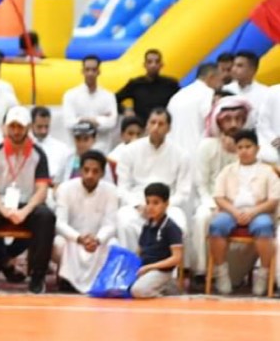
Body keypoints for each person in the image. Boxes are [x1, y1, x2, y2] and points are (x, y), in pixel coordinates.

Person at [0, 106, 56, 293]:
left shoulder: (38, 154)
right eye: (12, 126)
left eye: (20, 127)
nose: (16, 131)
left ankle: (37, 275)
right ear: (5, 128)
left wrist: (24, 211)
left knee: (46, 216)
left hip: (28, 204)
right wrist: (4, 210)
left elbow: (42, 190)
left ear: (28, 127)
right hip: (0, 203)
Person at [207, 129, 280, 296]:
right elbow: (218, 197)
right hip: (231, 211)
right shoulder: (227, 170)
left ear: (257, 149)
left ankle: (263, 274)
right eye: (240, 147)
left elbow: (273, 200)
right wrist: (234, 212)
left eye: (248, 146)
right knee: (216, 225)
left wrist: (252, 212)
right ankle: (221, 273)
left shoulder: (268, 171)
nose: (244, 151)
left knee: (264, 226)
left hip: (259, 212)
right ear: (236, 150)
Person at [114, 108, 190, 253]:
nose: (156, 128)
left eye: (161, 124)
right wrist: (138, 205)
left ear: (168, 128)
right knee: (124, 219)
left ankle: (167, 267)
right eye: (152, 122)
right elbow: (122, 188)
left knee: (179, 222)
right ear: (147, 125)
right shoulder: (129, 151)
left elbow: (183, 192)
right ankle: (133, 265)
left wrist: (162, 207)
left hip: (167, 205)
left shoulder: (181, 154)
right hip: (138, 203)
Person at [52, 150, 118, 292]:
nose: (90, 175)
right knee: (59, 244)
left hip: (97, 241)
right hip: (72, 239)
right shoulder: (65, 188)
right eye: (86, 170)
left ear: (102, 173)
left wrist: (98, 239)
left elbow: (110, 224)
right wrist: (79, 238)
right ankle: (66, 280)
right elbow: (60, 223)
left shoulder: (111, 191)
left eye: (95, 171)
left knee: (114, 244)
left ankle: (100, 281)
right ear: (80, 170)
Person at [131, 182, 183, 299]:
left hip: (161, 271)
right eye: (148, 202)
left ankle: (167, 291)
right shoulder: (147, 226)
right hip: (144, 269)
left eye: (155, 203)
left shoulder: (171, 228)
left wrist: (150, 267)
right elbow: (139, 251)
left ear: (166, 204)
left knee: (138, 291)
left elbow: (177, 258)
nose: (150, 207)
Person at [115, 49, 179, 123]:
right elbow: (113, 100)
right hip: (141, 126)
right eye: (149, 62)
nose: (153, 65)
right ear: (144, 65)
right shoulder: (135, 84)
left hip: (163, 125)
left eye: (157, 62)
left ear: (161, 65)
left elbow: (182, 100)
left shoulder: (171, 84)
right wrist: (124, 110)